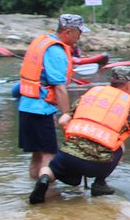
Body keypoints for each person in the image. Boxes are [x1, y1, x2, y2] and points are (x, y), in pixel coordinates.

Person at [29, 66, 130, 204]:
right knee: (119, 144)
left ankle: (43, 179)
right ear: (128, 85)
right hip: (97, 164)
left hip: (68, 156)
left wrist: (78, 137)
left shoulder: (89, 96)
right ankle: (99, 184)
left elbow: (63, 120)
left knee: (50, 170)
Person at [18, 13, 88, 181]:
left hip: (25, 106)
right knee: (49, 154)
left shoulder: (42, 41)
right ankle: (47, 194)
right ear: (68, 32)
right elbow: (60, 89)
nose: (80, 37)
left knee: (37, 154)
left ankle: (35, 185)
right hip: (40, 110)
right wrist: (66, 118)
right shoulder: (56, 51)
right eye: (79, 33)